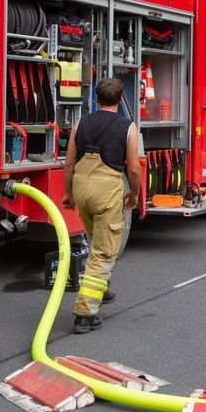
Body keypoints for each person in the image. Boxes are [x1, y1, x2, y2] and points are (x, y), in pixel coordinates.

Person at [62, 77, 141, 334]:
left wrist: (68, 193)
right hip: (106, 191)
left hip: (82, 189)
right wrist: (135, 195)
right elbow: (133, 168)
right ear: (120, 100)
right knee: (104, 251)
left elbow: (69, 163)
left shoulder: (80, 123)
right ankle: (85, 313)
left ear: (95, 99)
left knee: (95, 240)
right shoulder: (128, 127)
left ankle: (100, 288)